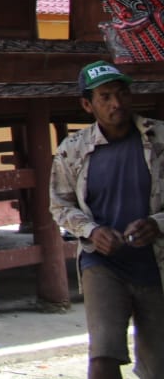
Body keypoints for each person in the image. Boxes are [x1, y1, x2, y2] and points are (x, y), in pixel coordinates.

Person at [51, 60, 164, 379]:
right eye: (105, 97)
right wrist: (92, 230)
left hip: (156, 262)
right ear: (87, 104)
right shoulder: (72, 150)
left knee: (158, 367)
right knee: (103, 354)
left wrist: (157, 223)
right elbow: (59, 205)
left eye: (122, 93)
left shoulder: (160, 139)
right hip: (102, 263)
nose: (117, 103)